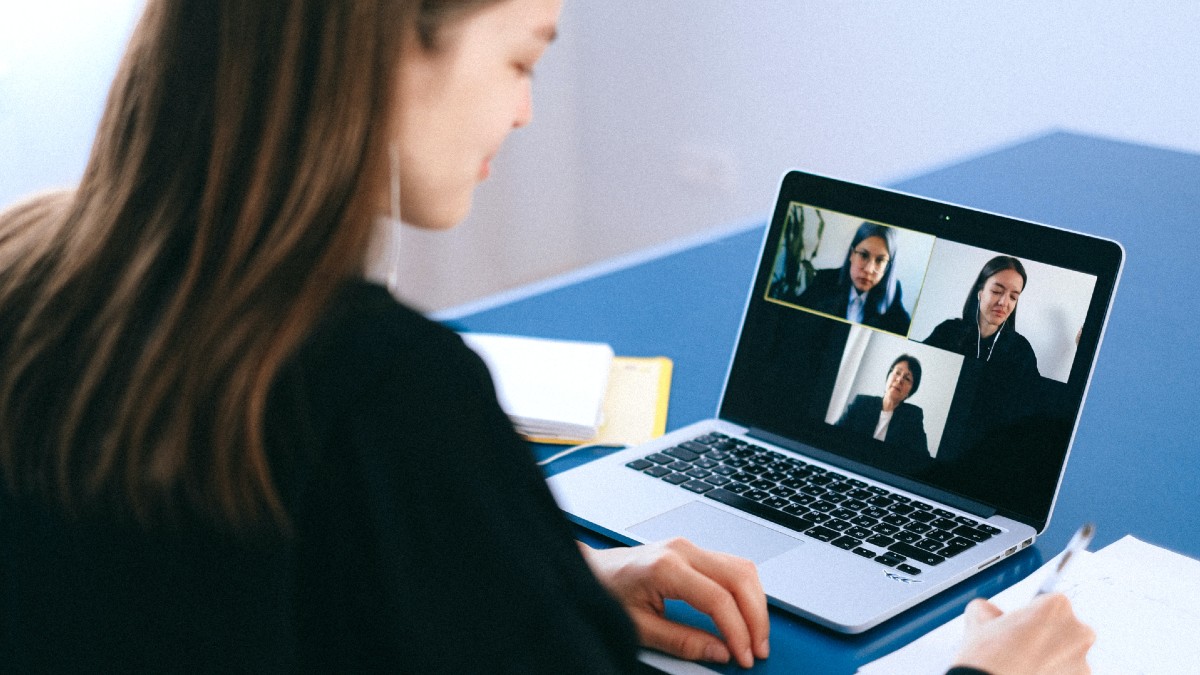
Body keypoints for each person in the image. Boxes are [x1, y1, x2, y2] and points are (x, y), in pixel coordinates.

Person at [0, 1, 1092, 673]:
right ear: (384, 45)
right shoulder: (385, 392)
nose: (524, 113)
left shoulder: (28, 265)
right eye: (522, 58)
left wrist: (549, 581)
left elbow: (210, 585)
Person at [923, 255, 1040, 379]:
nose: (1004, 303)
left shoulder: (1021, 350)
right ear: (980, 292)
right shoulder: (947, 332)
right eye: (996, 291)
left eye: (1013, 297)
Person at [797, 222, 912, 335]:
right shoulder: (825, 280)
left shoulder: (892, 293)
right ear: (852, 254)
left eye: (880, 260)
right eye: (863, 255)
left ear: (887, 266)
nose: (869, 269)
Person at [837, 354, 931, 465]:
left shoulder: (912, 417)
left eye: (907, 378)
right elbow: (835, 435)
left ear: (910, 392)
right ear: (888, 377)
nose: (900, 379)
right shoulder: (861, 403)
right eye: (897, 372)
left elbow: (922, 459)